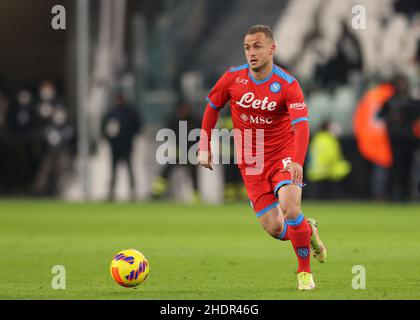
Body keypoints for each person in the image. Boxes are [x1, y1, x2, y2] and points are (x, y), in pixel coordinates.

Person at [197, 25, 327, 290]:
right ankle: (308, 231)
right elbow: (212, 107)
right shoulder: (232, 79)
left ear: (272, 49)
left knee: (290, 207)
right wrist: (204, 143)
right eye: (247, 47)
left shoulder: (288, 84)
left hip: (284, 155)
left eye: (257, 46)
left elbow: (301, 126)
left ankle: (304, 274)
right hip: (251, 161)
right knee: (275, 228)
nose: (251, 53)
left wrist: (298, 161)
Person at [102, 93, 142, 201]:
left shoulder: (130, 112)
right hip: (115, 147)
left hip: (127, 145)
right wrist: (109, 139)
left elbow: (137, 126)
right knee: (113, 170)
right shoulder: (111, 113)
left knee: (129, 169)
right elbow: (104, 128)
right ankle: (111, 191)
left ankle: (133, 191)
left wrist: (130, 136)